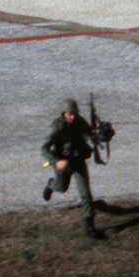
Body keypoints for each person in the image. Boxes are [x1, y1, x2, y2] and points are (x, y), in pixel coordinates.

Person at [41, 98, 101, 239]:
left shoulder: (79, 121)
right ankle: (51, 185)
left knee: (85, 194)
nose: (73, 116)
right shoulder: (57, 127)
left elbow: (89, 132)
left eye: (75, 113)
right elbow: (43, 148)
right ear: (64, 113)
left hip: (78, 161)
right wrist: (56, 161)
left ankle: (90, 226)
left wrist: (96, 132)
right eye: (70, 114)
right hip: (63, 163)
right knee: (62, 188)